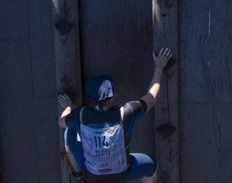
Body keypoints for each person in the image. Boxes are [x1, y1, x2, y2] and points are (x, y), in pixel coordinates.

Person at [58, 48, 172, 183]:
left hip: (92, 174)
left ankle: (78, 175)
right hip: (123, 173)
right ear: (112, 95)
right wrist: (159, 67)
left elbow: (61, 122)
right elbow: (151, 98)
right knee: (152, 166)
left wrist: (67, 107)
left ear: (91, 95)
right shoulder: (126, 113)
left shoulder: (81, 115)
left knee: (69, 131)